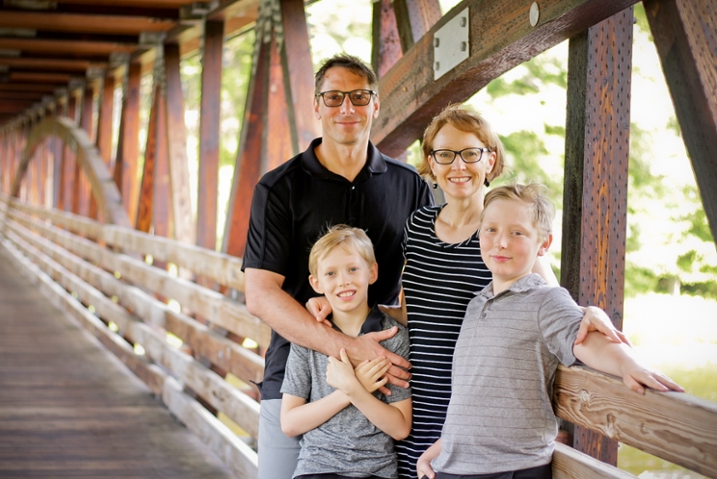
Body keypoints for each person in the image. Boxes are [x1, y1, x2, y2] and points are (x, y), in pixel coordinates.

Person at [394, 105, 627, 478]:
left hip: (482, 415)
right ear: (431, 163)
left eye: (471, 153)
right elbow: (417, 309)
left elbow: (546, 299)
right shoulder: (418, 225)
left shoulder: (502, 231)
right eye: (445, 154)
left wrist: (587, 311)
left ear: (490, 159)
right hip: (414, 401)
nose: (458, 165)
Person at [242, 53, 433, 479]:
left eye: (359, 96)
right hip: (296, 378)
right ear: (317, 105)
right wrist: (346, 349)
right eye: (333, 98)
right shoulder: (279, 188)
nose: (347, 108)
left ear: (376, 104)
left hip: (386, 383)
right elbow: (259, 295)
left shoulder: (409, 185)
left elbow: (436, 277)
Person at [416, 183, 683, 479]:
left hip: (509, 469)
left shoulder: (546, 300)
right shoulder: (477, 304)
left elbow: (585, 339)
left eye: (517, 233)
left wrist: (627, 364)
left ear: (543, 244)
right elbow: (473, 399)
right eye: (490, 229)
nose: (501, 242)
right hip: (452, 467)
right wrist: (437, 450)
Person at [281, 225, 412, 479]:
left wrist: (354, 388)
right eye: (331, 273)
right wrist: (351, 389)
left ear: (372, 272)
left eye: (353, 269)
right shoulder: (309, 337)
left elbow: (400, 428)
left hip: (376, 471)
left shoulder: (393, 338)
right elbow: (289, 423)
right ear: (316, 283)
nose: (344, 281)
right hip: (317, 468)